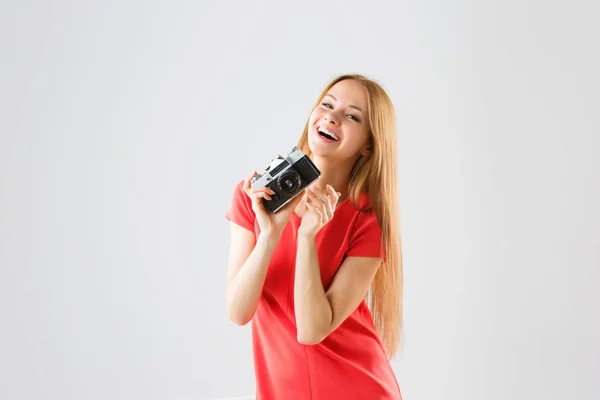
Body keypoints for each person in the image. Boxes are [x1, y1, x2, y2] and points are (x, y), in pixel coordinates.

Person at [225, 74, 403, 399]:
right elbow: (238, 312)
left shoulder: (366, 220)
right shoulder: (255, 197)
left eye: (352, 115)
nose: (332, 117)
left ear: (368, 144)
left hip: (357, 388)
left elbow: (310, 331)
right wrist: (269, 235)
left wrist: (308, 238)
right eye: (327, 104)